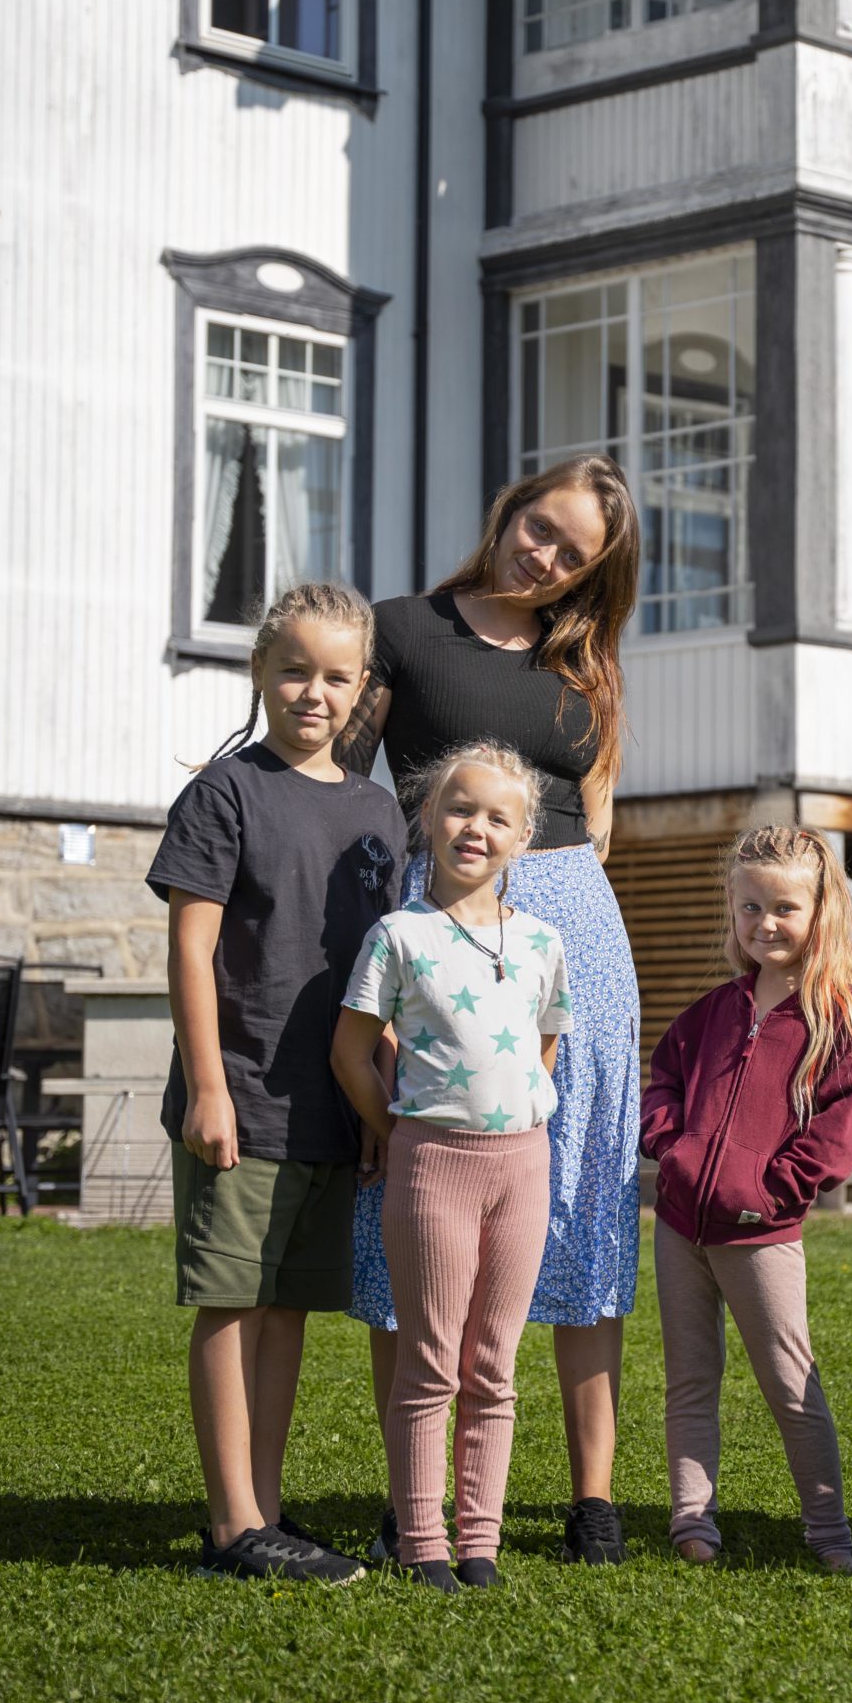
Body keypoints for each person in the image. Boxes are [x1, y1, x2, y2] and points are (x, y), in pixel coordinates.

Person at [336, 460, 642, 1566]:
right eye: (538, 528)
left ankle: (590, 1497)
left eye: (574, 553)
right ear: (506, 509)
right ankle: (410, 1496)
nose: (545, 559)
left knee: (576, 1195)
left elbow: (598, 814)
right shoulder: (403, 631)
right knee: (415, 1193)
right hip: (439, 920)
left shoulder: (587, 661)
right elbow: (345, 780)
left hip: (569, 933)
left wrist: (558, 912)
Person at [149, 582, 406, 1583]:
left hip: (328, 1105)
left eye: (336, 675)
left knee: (288, 1305)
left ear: (361, 689)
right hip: (242, 1093)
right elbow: (189, 947)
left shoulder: (379, 811)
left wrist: (374, 1101)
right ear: (259, 670)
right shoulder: (225, 793)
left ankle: (263, 1509)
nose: (313, 691)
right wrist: (207, 1085)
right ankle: (231, 1525)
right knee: (231, 1303)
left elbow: (381, 973)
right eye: (293, 669)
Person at [332, 744, 573, 1593]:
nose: (475, 828)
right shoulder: (399, 936)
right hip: (431, 1165)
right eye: (459, 809)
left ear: (524, 837)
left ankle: (480, 1543)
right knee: (430, 1359)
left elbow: (543, 1042)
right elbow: (352, 1052)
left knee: (493, 1365)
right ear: (429, 821)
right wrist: (394, 1132)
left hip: (523, 1169)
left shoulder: (544, 941)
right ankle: (422, 1542)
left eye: (496, 817)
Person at [640, 826, 852, 1574]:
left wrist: (763, 1193)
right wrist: (673, 1151)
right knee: (689, 1378)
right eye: (749, 907)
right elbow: (662, 1085)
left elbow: (834, 1144)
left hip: (761, 1237)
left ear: (820, 913)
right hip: (681, 1229)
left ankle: (828, 1534)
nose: (765, 924)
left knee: (790, 1384)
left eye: (783, 907)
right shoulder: (712, 1012)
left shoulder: (838, 1024)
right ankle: (692, 1521)